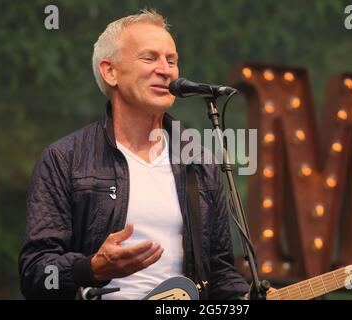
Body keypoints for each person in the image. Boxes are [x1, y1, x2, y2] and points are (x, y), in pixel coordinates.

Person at [18, 9, 250, 300]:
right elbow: (35, 273)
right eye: (149, 58)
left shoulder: (200, 162)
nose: (166, 70)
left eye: (172, 60)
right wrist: (92, 268)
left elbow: (219, 271)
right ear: (109, 71)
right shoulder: (64, 159)